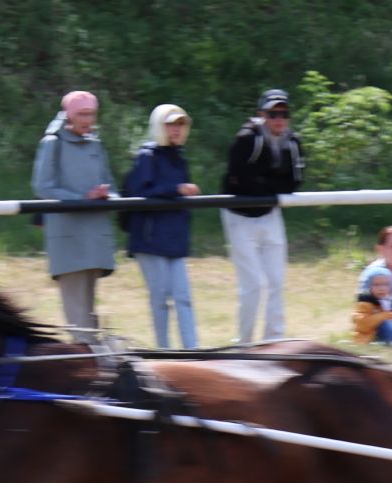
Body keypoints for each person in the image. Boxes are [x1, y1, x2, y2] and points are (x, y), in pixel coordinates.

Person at [220, 87, 303, 344]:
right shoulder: (247, 138)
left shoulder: (293, 142)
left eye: (284, 113)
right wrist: (269, 184)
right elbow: (239, 180)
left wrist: (263, 183)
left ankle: (273, 343)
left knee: (277, 282)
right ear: (261, 114)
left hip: (270, 213)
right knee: (255, 285)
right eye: (273, 113)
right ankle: (243, 345)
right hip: (239, 216)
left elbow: (294, 183)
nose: (279, 118)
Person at [32, 90, 116, 335]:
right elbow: (42, 186)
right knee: (78, 318)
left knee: (89, 315)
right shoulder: (52, 143)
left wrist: (107, 195)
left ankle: (95, 365)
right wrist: (81, 200)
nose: (88, 119)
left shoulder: (96, 144)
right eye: (82, 114)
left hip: (95, 237)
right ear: (68, 114)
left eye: (92, 114)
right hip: (68, 239)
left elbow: (112, 185)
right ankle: (86, 366)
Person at [121, 103, 200, 348]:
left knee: (184, 298)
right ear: (159, 126)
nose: (176, 129)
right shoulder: (147, 156)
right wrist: (175, 190)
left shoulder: (179, 158)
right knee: (160, 299)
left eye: (180, 124)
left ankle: (193, 351)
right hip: (150, 239)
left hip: (175, 238)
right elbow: (138, 194)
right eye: (170, 124)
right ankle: (164, 351)